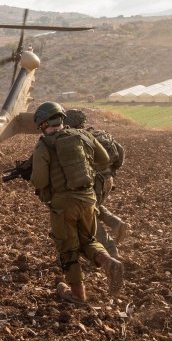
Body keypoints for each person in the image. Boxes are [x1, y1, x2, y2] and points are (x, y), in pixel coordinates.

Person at [31, 101, 124, 304]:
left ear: (43, 124)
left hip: (64, 205)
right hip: (89, 199)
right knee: (88, 241)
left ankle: (77, 294)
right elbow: (104, 158)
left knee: (68, 248)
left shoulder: (44, 145)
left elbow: (39, 181)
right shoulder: (83, 135)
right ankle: (109, 262)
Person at [65, 109, 129, 258]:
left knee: (87, 217)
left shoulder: (78, 140)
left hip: (95, 182)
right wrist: (112, 171)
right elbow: (121, 151)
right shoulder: (99, 134)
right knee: (95, 207)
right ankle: (117, 224)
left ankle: (110, 248)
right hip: (107, 179)